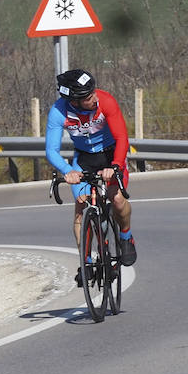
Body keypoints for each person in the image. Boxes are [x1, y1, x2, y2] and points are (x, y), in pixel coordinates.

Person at [45, 69, 137, 284]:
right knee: (81, 209)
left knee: (116, 199)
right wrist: (68, 171)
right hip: (84, 159)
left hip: (111, 154)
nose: (94, 98)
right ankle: (86, 261)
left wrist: (114, 166)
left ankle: (125, 235)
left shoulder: (106, 102)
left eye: (93, 92)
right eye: (88, 97)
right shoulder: (59, 112)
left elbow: (122, 137)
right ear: (74, 101)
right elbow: (51, 151)